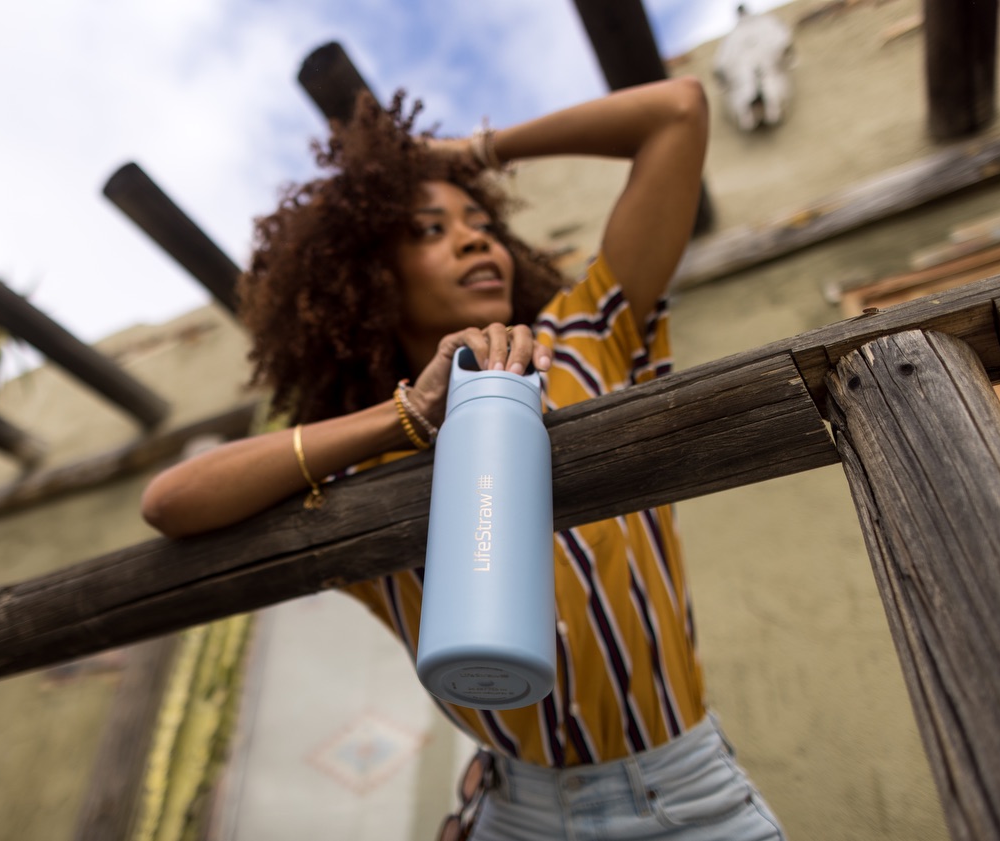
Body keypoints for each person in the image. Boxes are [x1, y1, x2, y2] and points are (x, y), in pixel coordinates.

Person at [141, 77, 786, 840]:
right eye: (429, 229)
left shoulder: (583, 342)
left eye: (482, 223)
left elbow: (677, 111)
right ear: (369, 280)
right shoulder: (362, 468)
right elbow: (171, 501)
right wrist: (408, 415)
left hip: (692, 799)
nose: (476, 239)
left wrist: (468, 152)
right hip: (517, 815)